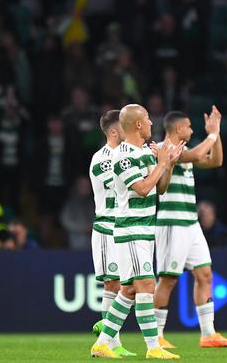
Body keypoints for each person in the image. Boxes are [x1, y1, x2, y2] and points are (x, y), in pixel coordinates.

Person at [90, 104, 183, 359]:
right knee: (145, 286)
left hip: (143, 228)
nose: (153, 123)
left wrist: (169, 164)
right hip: (130, 228)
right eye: (149, 119)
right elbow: (142, 188)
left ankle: (102, 342)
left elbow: (159, 189)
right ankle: (154, 347)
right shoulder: (122, 156)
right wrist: (161, 162)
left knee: (129, 290)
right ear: (138, 125)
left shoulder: (143, 152)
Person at [153, 107, 227, 349]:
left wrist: (217, 133)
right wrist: (210, 135)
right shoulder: (163, 149)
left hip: (191, 224)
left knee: (205, 275)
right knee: (168, 280)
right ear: (178, 129)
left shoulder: (186, 150)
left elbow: (216, 160)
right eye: (189, 126)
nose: (192, 130)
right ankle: (156, 336)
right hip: (172, 224)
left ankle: (208, 334)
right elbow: (196, 155)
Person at [87, 110, 135, 357]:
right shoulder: (103, 158)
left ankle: (109, 335)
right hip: (107, 225)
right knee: (113, 283)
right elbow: (122, 187)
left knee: (124, 284)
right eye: (126, 127)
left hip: (121, 226)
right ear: (114, 131)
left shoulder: (123, 155)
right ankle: (110, 341)